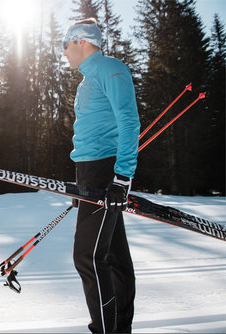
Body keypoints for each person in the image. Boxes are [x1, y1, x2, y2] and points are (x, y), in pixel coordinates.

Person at [62, 18, 140, 333]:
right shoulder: (87, 80)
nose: (64, 53)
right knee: (114, 257)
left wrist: (121, 177)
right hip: (90, 173)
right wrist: (81, 184)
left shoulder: (110, 68)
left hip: (105, 171)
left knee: (88, 257)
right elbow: (92, 133)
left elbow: (129, 120)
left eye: (65, 46)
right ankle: (120, 327)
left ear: (81, 41)